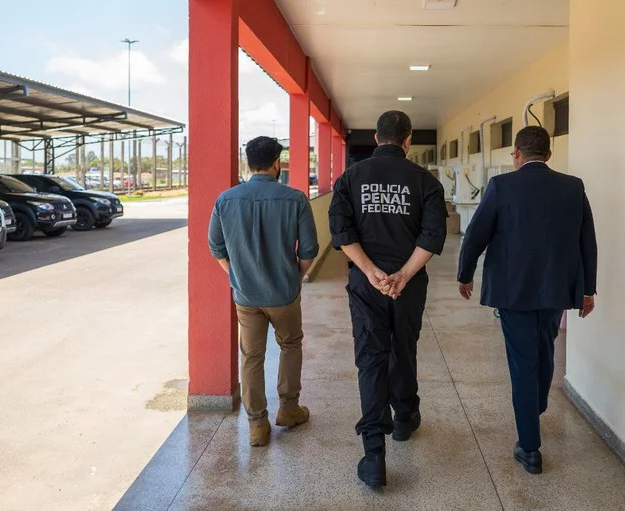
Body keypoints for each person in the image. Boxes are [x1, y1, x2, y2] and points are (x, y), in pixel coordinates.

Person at [457, 125, 597, 475]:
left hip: (513, 291)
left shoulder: (501, 186)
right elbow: (587, 241)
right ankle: (536, 404)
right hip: (555, 290)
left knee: (523, 363)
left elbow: (476, 234)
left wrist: (465, 274)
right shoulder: (573, 187)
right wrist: (588, 289)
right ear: (548, 154)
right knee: (545, 348)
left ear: (516, 154)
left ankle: (530, 448)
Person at [329, 111, 448, 487]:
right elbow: (432, 235)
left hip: (367, 286)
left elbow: (341, 231)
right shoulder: (425, 181)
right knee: (404, 348)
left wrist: (370, 272)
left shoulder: (350, 178)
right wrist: (403, 275)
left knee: (371, 358)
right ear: (408, 140)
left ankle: (373, 455)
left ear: (377, 138)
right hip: (408, 286)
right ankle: (405, 418)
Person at [208, 136, 319, 447]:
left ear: (248, 164)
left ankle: (257, 425)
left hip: (246, 297)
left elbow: (216, 246)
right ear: (277, 164)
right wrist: (296, 277)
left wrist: (237, 276)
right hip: (284, 294)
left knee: (251, 357)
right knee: (290, 345)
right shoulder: (295, 199)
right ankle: (289, 409)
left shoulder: (225, 200)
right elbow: (309, 249)